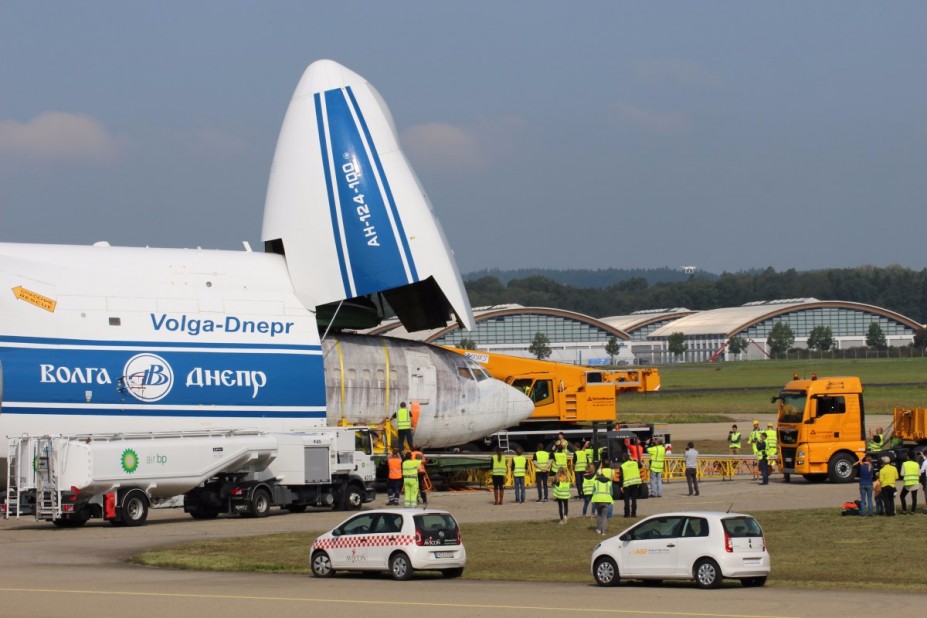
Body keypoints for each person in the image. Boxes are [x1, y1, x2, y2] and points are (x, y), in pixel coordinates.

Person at [590, 465, 614, 535]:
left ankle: (598, 529)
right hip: (606, 500)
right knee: (604, 516)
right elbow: (612, 493)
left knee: (599, 515)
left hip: (598, 500)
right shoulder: (609, 482)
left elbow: (593, 492)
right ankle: (603, 532)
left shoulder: (596, 482)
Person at [619, 453, 642, 518]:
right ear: (629, 457)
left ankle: (627, 514)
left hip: (627, 484)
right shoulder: (635, 463)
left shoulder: (622, 466)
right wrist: (634, 459)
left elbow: (621, 477)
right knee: (634, 499)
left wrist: (621, 486)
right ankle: (633, 514)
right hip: (635, 483)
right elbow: (641, 466)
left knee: (626, 500)